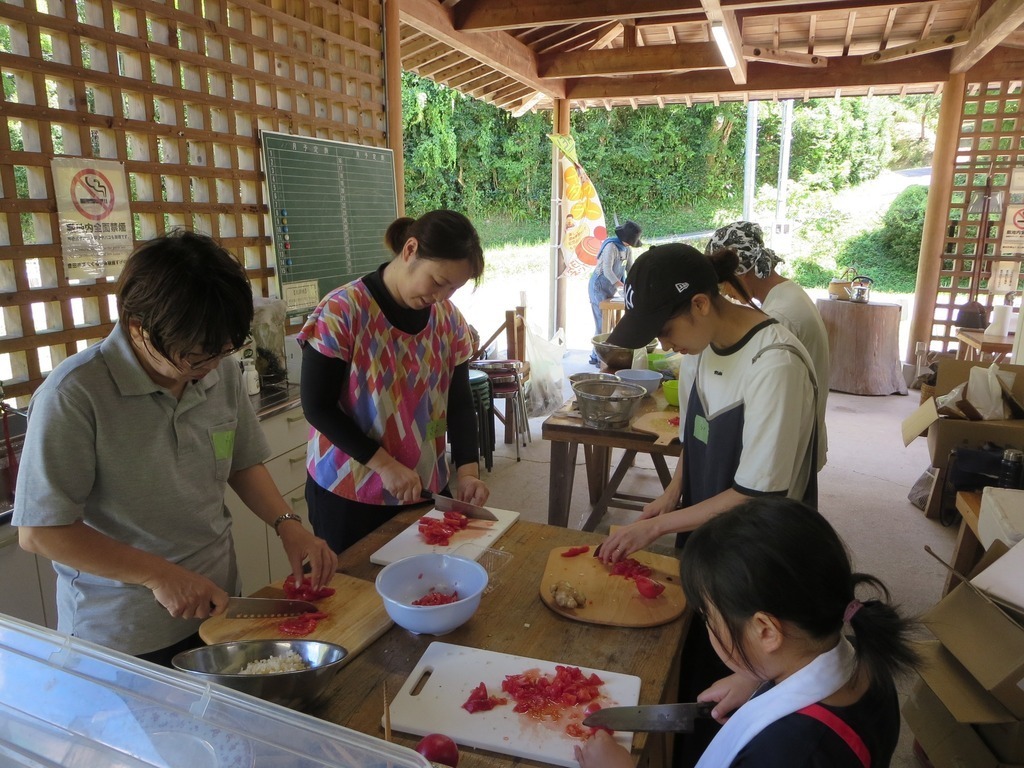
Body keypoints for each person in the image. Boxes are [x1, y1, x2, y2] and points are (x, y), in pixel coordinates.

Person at [14, 230, 338, 665]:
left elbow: (241, 461)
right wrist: (157, 575)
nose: (208, 370)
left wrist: (288, 525)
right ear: (138, 328)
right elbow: (41, 532)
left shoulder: (216, 371)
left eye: (221, 353)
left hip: (219, 607)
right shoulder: (74, 395)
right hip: (125, 634)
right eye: (195, 358)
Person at [599, 243, 820, 766]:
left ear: (701, 304)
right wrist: (671, 495)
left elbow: (754, 496)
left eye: (665, 329)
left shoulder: (774, 363)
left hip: (763, 552)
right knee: (694, 649)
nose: (663, 342)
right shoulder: (698, 355)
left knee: (740, 679)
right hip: (709, 537)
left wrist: (653, 530)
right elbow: (695, 439)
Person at [577, 498, 919, 768]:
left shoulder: (788, 753)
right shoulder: (865, 660)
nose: (709, 628)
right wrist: (758, 678)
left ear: (766, 632)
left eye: (709, 618)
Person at [299, 209, 489, 553]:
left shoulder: (449, 321)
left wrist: (468, 472)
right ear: (410, 250)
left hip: (423, 487)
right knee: (353, 597)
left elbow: (459, 403)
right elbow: (317, 406)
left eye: (453, 289)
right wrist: (384, 465)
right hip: (349, 491)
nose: (441, 296)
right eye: (438, 281)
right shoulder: (343, 311)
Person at [706, 221, 830, 468]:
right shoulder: (788, 293)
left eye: (723, 281)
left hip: (791, 442)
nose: (724, 293)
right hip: (801, 429)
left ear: (740, 270)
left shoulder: (780, 316)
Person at [588, 220, 642, 365]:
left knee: (610, 323)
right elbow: (607, 270)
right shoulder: (611, 246)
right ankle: (597, 357)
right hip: (599, 286)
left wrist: (634, 283)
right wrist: (621, 286)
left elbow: (630, 269)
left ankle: (603, 354)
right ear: (624, 238)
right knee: (601, 323)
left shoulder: (627, 249)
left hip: (612, 287)